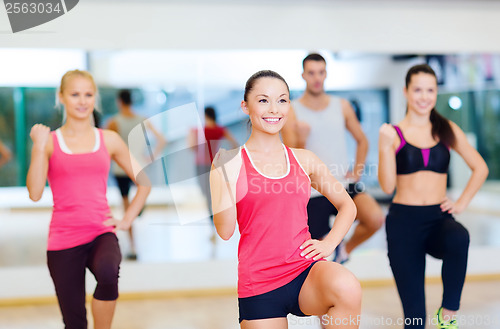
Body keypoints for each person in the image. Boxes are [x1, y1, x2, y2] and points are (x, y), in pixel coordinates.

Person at [210, 70, 361, 328]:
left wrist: (329, 245)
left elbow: (347, 205)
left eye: (282, 100)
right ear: (245, 106)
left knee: (347, 287)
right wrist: (222, 175)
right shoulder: (231, 162)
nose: (274, 109)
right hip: (259, 282)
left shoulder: (304, 160)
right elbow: (225, 231)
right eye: (263, 100)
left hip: (305, 272)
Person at [26, 70, 151, 329]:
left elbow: (144, 182)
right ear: (61, 97)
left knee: (108, 273)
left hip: (100, 233)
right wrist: (38, 147)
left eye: (88, 94)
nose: (82, 101)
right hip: (63, 241)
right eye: (74, 94)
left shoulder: (109, 139)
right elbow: (35, 193)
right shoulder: (49, 142)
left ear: (95, 98)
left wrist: (127, 220)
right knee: (74, 323)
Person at [378, 64, 488, 329]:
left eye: (430, 90)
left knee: (459, 237)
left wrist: (461, 203)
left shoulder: (446, 129)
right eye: (417, 90)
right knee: (414, 319)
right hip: (404, 222)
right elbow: (386, 185)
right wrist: (383, 146)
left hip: (438, 219)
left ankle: (448, 314)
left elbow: (480, 167)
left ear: (436, 92)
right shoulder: (393, 133)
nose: (424, 96)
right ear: (406, 92)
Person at [282, 53, 384, 263]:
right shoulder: (292, 111)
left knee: (375, 218)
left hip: (343, 183)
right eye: (311, 73)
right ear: (303, 75)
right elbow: (292, 158)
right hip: (313, 190)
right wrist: (301, 140)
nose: (317, 78)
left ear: (326, 73)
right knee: (319, 255)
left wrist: (357, 172)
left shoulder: (342, 105)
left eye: (321, 72)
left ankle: (344, 250)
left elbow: (362, 140)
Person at [106, 89, 166, 260]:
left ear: (119, 102)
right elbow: (162, 139)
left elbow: (107, 146)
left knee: (126, 205)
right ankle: (138, 206)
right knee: (141, 192)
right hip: (139, 165)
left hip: (121, 169)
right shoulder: (143, 119)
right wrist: (151, 157)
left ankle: (133, 246)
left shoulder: (114, 122)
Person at [187, 106, 238, 243]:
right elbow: (235, 144)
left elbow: (191, 148)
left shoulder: (198, 131)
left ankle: (214, 228)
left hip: (201, 166)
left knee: (208, 198)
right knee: (213, 198)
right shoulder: (220, 130)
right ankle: (216, 227)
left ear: (205, 115)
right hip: (215, 165)